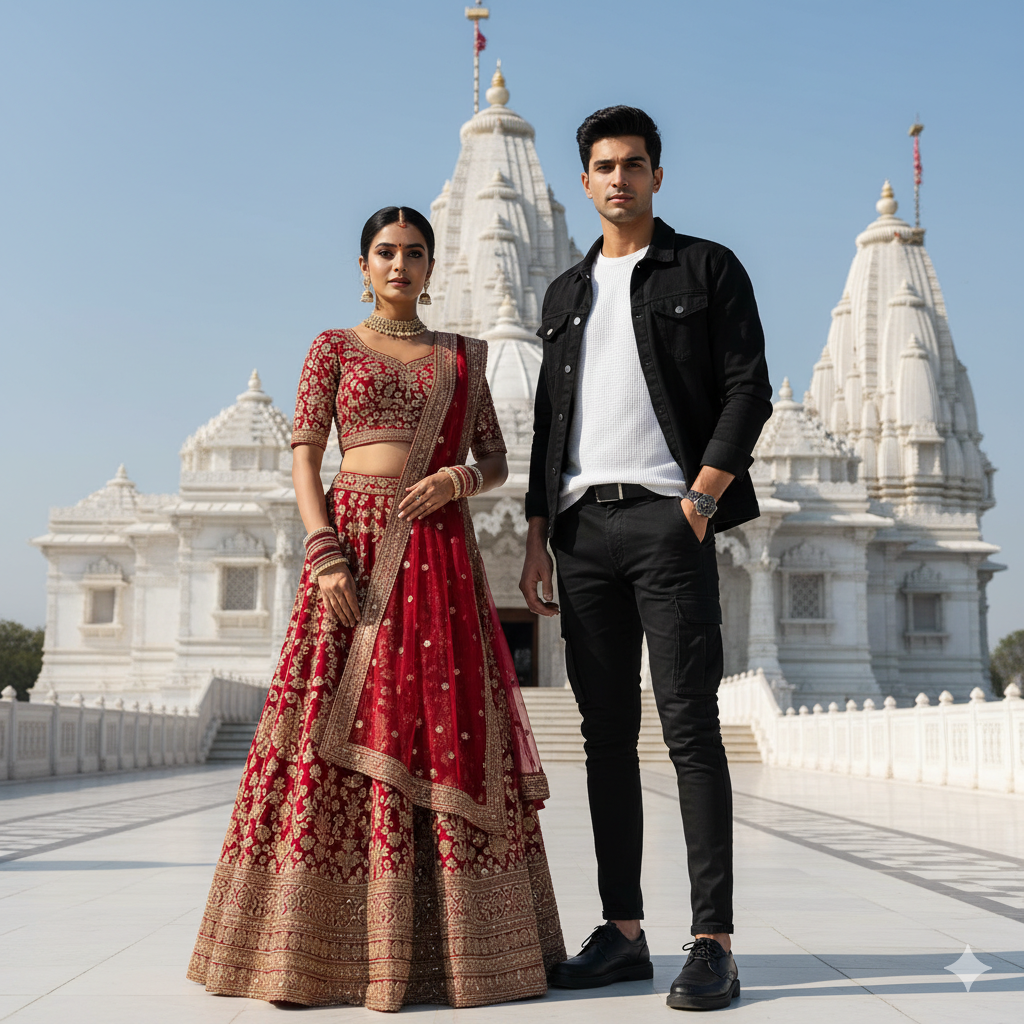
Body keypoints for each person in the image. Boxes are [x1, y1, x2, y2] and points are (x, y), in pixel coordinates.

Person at [188, 205, 565, 1012]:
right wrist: (321, 546)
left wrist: (457, 480)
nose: (400, 264)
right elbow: (306, 452)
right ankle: (304, 957)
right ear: (363, 265)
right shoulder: (330, 348)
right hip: (354, 543)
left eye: (416, 253)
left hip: (438, 551)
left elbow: (494, 459)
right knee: (322, 726)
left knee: (440, 725)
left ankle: (460, 954)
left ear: (434, 268)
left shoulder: (464, 358)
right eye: (386, 252)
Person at [519, 107, 772, 1011]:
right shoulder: (562, 295)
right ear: (582, 182)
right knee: (603, 739)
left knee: (690, 728)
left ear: (657, 176)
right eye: (601, 166)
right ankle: (623, 932)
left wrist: (700, 499)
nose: (617, 178)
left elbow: (749, 386)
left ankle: (713, 942)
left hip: (670, 521)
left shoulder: (705, 268)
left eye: (632, 164)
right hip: (583, 529)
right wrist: (539, 533)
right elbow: (552, 422)